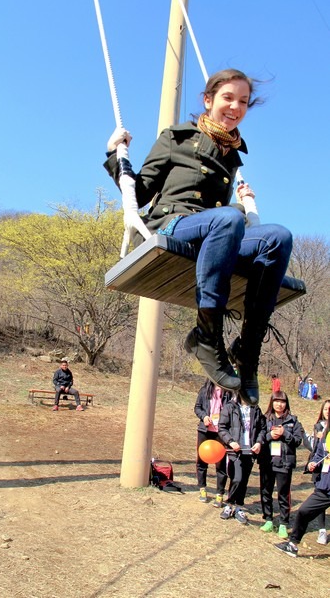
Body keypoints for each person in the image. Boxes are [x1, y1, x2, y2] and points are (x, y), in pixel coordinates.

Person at [105, 69, 292, 406]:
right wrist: (115, 155)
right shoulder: (176, 138)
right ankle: (207, 335)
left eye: (244, 102)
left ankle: (247, 353)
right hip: (172, 225)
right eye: (228, 98)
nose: (236, 107)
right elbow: (142, 191)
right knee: (228, 218)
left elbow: (220, 212)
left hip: (215, 233)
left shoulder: (232, 154)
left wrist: (244, 204)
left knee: (278, 237)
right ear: (208, 100)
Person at [275, 417, 330, 557]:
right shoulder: (326, 434)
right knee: (303, 511)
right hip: (325, 487)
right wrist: (314, 463)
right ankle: (293, 544)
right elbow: (319, 454)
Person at [258, 391, 303, 539]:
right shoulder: (265, 419)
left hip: (284, 463)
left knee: (283, 494)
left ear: (286, 404)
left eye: (282, 401)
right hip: (267, 461)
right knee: (266, 491)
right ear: (272, 402)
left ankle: (283, 523)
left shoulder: (293, 420)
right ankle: (268, 519)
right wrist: (270, 436)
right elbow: (259, 437)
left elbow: (297, 440)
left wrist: (285, 433)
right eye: (276, 401)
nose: (279, 404)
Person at [218, 393, 266, 525]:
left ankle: (238, 507)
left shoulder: (256, 409)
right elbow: (222, 427)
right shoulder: (230, 407)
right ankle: (229, 505)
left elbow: (262, 428)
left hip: (250, 451)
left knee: (244, 480)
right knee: (237, 478)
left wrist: (259, 442)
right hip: (235, 451)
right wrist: (231, 441)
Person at [194, 379, 232, 507]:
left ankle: (219, 494)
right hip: (205, 430)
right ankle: (202, 489)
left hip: (221, 432)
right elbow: (197, 407)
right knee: (201, 460)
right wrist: (204, 416)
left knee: (221, 463)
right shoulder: (205, 390)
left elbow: (232, 410)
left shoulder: (228, 393)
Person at [302, 399, 330, 544]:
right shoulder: (318, 425)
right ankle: (322, 530)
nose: (327, 412)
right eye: (325, 409)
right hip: (321, 467)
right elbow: (314, 448)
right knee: (319, 498)